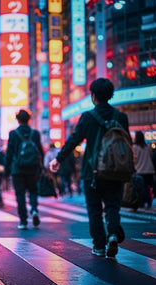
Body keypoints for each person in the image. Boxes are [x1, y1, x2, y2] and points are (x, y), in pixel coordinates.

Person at [49, 78, 129, 258]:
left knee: (94, 209)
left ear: (93, 96)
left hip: (91, 172)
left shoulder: (87, 117)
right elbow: (127, 145)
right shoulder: (121, 117)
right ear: (111, 95)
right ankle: (113, 234)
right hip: (116, 171)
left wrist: (58, 159)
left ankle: (99, 246)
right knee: (112, 206)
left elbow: (73, 141)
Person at [5, 109, 44, 230]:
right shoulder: (35, 134)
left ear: (18, 120)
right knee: (33, 191)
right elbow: (40, 152)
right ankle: (34, 210)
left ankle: (23, 221)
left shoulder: (13, 134)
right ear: (29, 120)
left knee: (20, 194)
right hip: (33, 168)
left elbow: (9, 153)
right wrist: (41, 167)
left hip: (18, 169)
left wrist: (6, 170)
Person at [133, 131, 155, 209]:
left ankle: (142, 202)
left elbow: (134, 160)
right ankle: (149, 201)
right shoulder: (148, 146)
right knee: (148, 186)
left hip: (139, 170)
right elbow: (151, 156)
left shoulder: (134, 147)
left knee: (140, 188)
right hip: (149, 170)